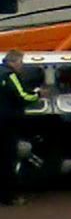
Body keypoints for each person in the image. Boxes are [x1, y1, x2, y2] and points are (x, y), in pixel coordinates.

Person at [0, 50, 39, 206]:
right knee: (8, 159)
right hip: (7, 122)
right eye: (21, 62)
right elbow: (23, 96)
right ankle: (10, 196)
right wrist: (38, 94)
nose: (22, 66)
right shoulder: (10, 76)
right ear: (14, 62)